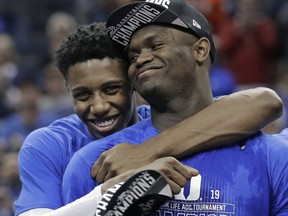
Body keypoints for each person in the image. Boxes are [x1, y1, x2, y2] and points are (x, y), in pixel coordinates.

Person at [15, 22, 282, 216]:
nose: (98, 106)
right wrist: (113, 191)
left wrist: (144, 152)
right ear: (67, 91)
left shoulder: (159, 123)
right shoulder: (49, 145)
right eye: (83, 95)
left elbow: (263, 102)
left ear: (133, 84)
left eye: (111, 89)